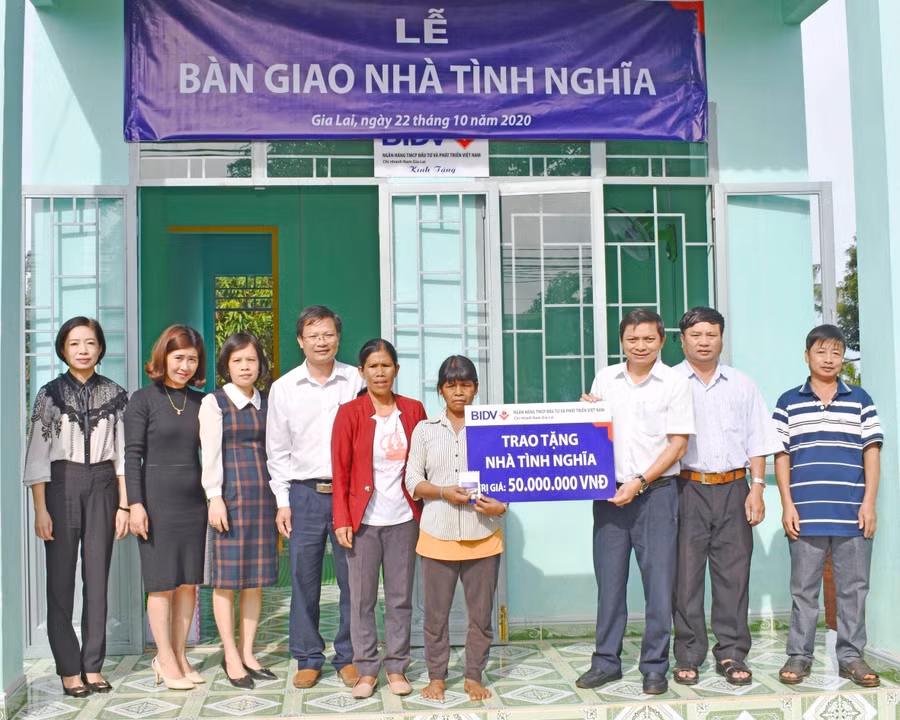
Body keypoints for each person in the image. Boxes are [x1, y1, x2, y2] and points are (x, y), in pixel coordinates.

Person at [578, 308, 694, 696]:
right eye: (632, 339)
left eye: (648, 339)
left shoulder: (675, 384)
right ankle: (606, 662)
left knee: (658, 585)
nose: (640, 346)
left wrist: (640, 482)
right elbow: (593, 435)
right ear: (622, 341)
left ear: (662, 341)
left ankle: (654, 666)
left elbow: (678, 444)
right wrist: (581, 415)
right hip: (609, 495)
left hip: (657, 495)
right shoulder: (605, 379)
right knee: (609, 584)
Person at [671, 307, 783, 686]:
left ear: (722, 338)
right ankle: (687, 654)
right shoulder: (669, 382)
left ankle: (732, 652)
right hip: (686, 487)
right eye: (696, 335)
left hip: (736, 488)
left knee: (734, 575)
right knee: (685, 577)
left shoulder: (741, 384)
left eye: (712, 335)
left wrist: (757, 488)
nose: (704, 342)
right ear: (682, 339)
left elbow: (757, 438)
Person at [23, 317, 129, 697]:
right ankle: (69, 669)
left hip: (104, 486)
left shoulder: (117, 394)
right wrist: (40, 509)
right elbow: (37, 457)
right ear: (63, 348)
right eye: (74, 343)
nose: (83, 349)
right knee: (60, 582)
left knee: (98, 580)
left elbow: (122, 458)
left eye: (90, 343)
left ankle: (92, 666)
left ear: (100, 348)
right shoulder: (48, 395)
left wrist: (125, 506)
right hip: (60, 486)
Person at [773, 324, 882, 688]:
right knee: (803, 590)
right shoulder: (788, 402)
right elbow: (781, 456)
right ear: (807, 356)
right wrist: (787, 504)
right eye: (821, 352)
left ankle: (850, 656)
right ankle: (799, 656)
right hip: (805, 514)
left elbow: (872, 452)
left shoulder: (860, 399)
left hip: (853, 513)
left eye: (836, 352)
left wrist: (869, 502)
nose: (829, 358)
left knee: (854, 588)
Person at [266, 306, 363, 689]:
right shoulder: (285, 388)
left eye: (328, 334)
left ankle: (349, 655)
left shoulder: (354, 380)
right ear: (300, 341)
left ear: (338, 337)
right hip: (304, 494)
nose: (321, 341)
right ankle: (307, 657)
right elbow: (277, 450)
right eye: (313, 335)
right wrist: (282, 501)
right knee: (304, 580)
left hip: (349, 494)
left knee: (352, 579)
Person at [405, 355, 507, 702]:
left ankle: (474, 676)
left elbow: (510, 476)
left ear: (476, 388)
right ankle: (437, 677)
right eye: (452, 385)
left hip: (484, 534)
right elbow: (413, 480)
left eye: (466, 384)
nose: (459, 392)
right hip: (437, 535)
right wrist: (443, 491)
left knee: (480, 616)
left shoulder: (493, 427)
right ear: (441, 390)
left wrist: (503, 504)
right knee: (435, 617)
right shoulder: (425, 429)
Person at [331, 339, 427, 698]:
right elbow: (340, 471)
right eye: (372, 366)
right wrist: (342, 518)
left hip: (404, 519)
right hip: (363, 523)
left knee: (401, 597)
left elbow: (425, 461)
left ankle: (397, 666)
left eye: (386, 365)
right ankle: (367, 670)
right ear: (362, 372)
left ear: (396, 370)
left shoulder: (414, 410)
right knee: (361, 599)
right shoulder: (349, 413)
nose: (380, 372)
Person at [125, 325, 207, 690]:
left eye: (192, 359)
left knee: (189, 583)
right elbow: (131, 457)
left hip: (194, 502)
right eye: (179, 358)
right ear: (164, 357)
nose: (185, 365)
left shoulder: (203, 402)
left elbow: (216, 455)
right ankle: (163, 657)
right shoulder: (143, 399)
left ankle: (180, 653)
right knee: (161, 585)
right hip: (155, 502)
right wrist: (134, 504)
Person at [199, 332, 278, 689]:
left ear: (260, 364)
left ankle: (248, 652)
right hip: (229, 498)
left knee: (255, 580)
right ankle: (230, 654)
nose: (245, 366)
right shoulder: (214, 402)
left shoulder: (267, 400)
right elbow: (210, 453)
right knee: (226, 581)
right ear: (226, 366)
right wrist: (214, 496)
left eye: (251, 360)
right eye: (237, 360)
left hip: (263, 496)